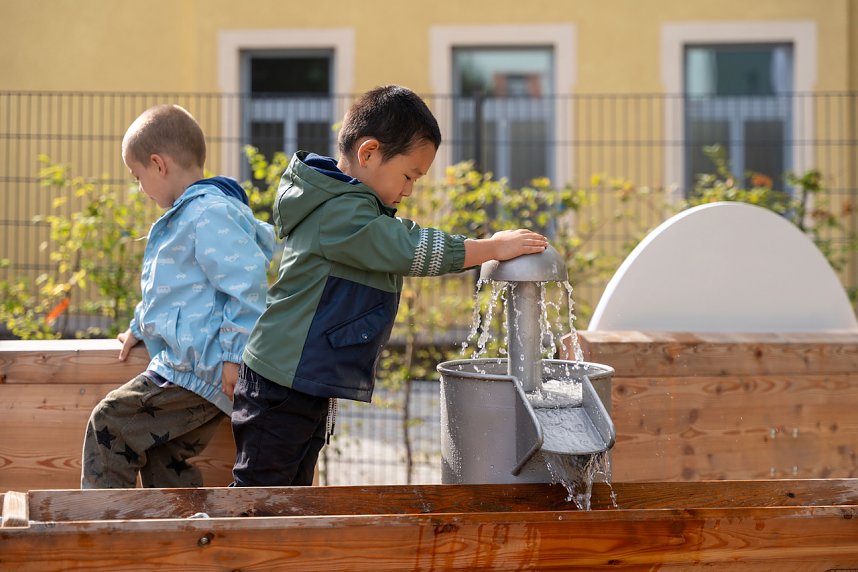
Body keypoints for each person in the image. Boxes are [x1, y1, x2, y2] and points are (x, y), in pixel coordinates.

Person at [232, 85, 548, 487]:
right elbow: (407, 247)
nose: (409, 189)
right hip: (282, 384)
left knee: (289, 493)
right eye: (409, 175)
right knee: (260, 494)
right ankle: (226, 548)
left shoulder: (351, 207)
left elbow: (398, 238)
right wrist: (490, 248)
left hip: (298, 380)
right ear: (368, 153)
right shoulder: (340, 213)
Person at [81, 104, 275, 488]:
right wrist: (139, 326)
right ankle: (182, 539)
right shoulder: (190, 215)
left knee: (110, 424)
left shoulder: (208, 214)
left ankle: (102, 537)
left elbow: (247, 286)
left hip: (195, 371)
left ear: (158, 164)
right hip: (190, 368)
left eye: (137, 176)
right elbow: (173, 288)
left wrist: (236, 356)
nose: (140, 188)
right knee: (163, 459)